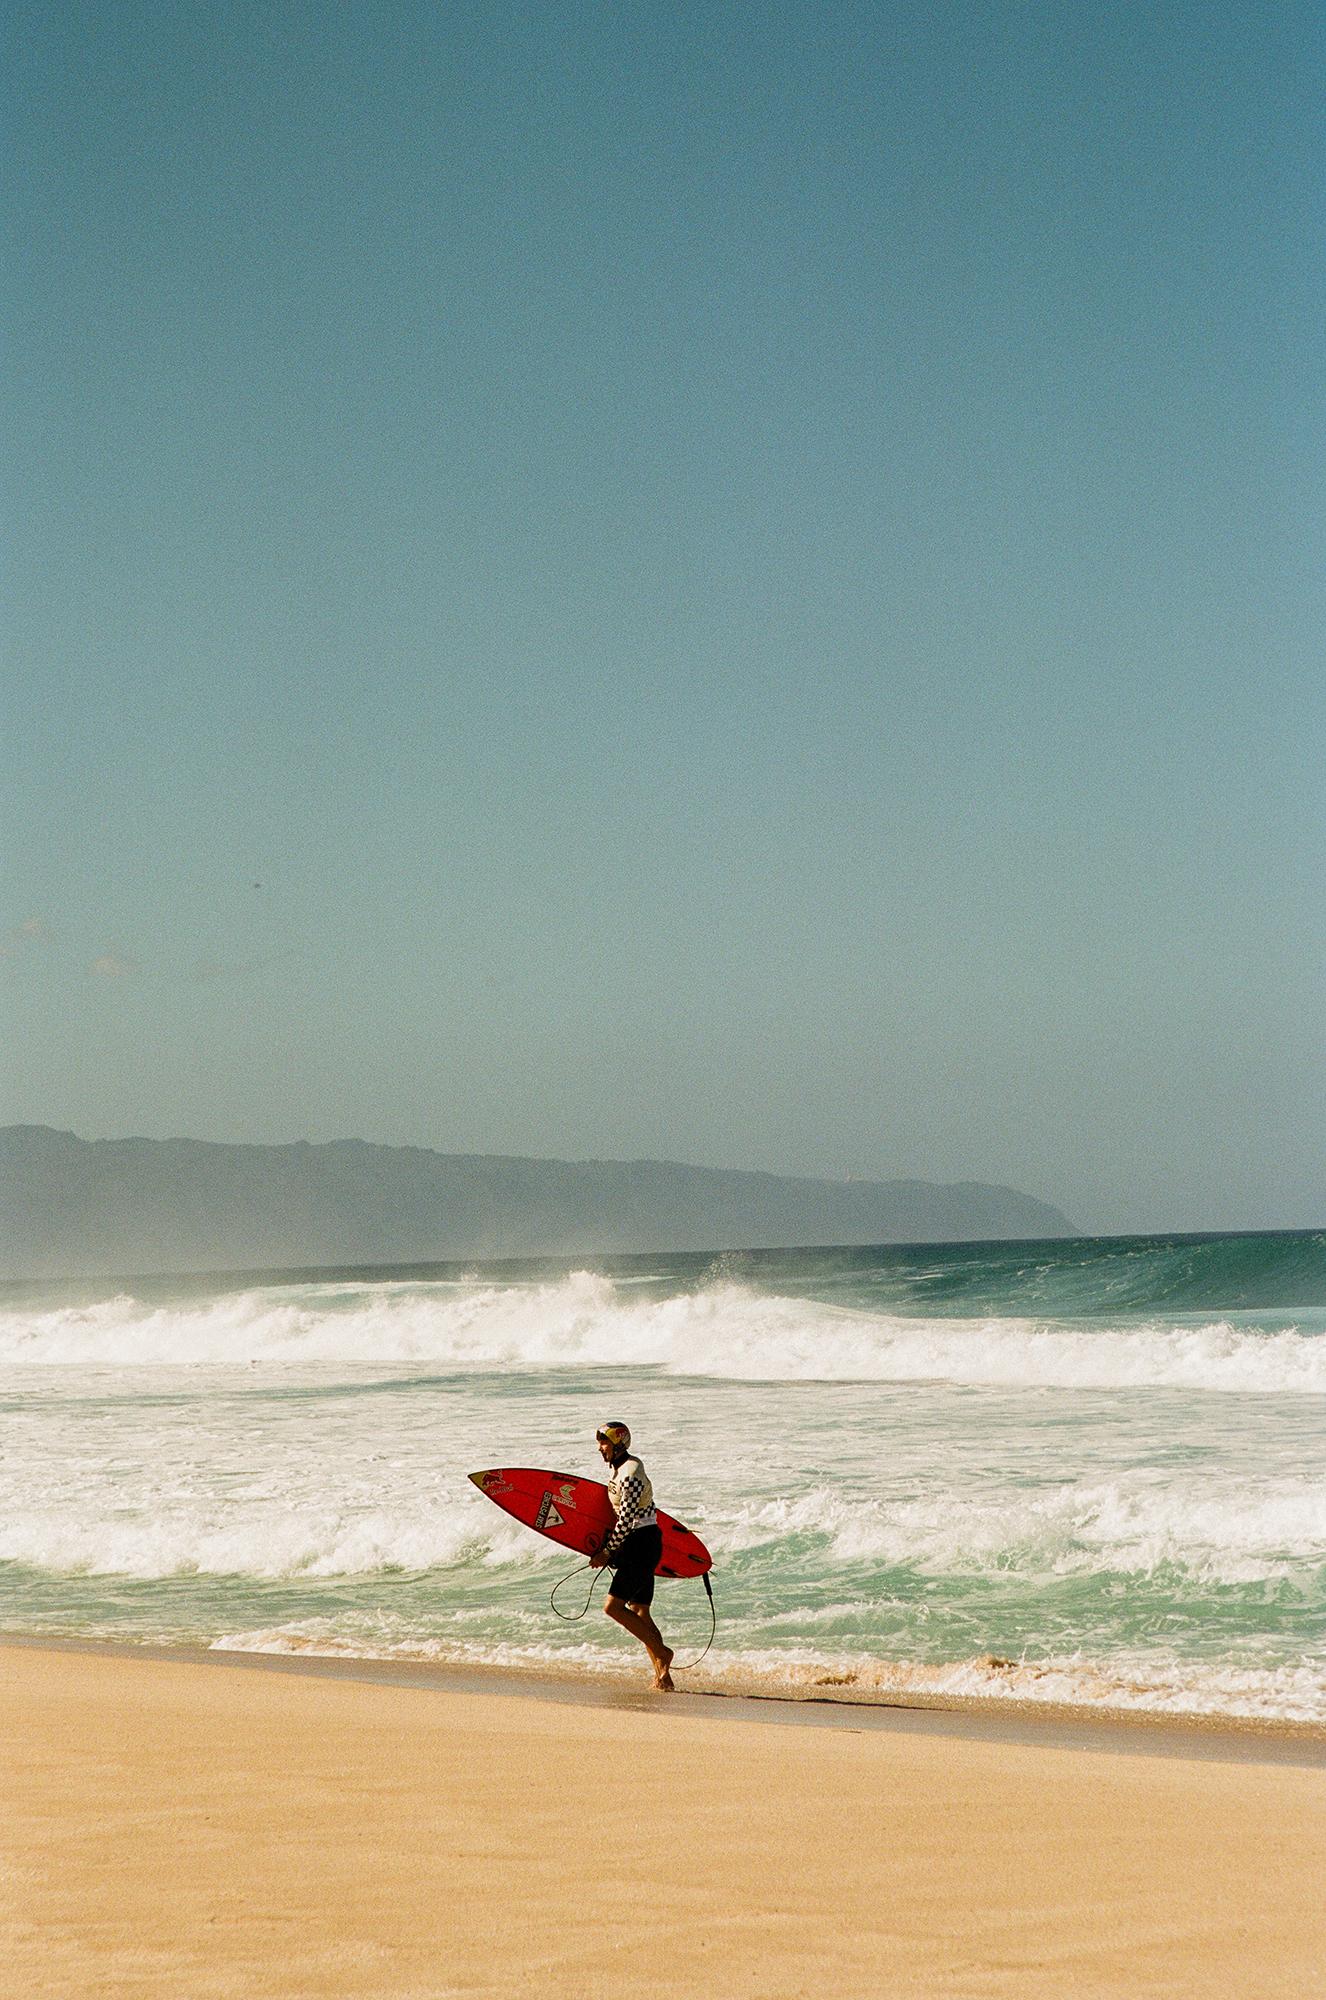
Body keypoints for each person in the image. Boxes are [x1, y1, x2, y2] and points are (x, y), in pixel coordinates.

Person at [589, 1422, 674, 1691]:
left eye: (604, 1443)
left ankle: (663, 1653)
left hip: (641, 1544)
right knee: (640, 1612)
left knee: (612, 1607)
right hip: (639, 1543)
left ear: (618, 1445)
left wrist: (606, 1552)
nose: (600, 1448)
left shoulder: (631, 1473)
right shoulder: (620, 1469)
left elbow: (626, 1520)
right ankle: (663, 1678)